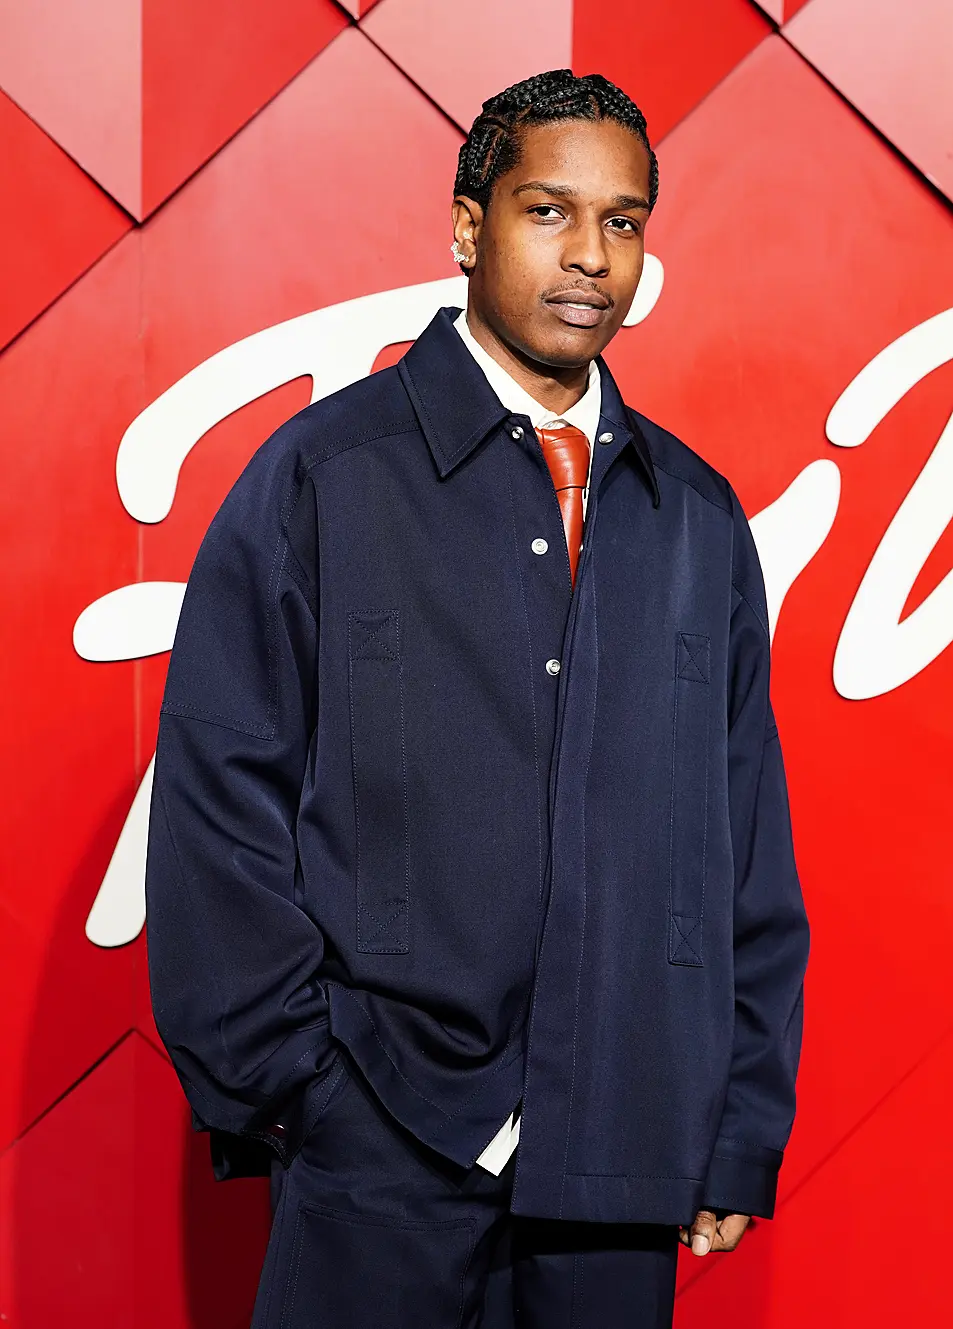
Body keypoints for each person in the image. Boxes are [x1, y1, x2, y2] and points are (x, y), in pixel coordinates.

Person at [144, 68, 810, 1329]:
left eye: (621, 222)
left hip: (619, 1158)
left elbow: (743, 851)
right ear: (466, 226)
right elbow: (218, 801)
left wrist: (732, 1118)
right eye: (546, 211)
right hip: (377, 1153)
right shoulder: (323, 477)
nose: (588, 257)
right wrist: (301, 1091)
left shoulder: (698, 520)